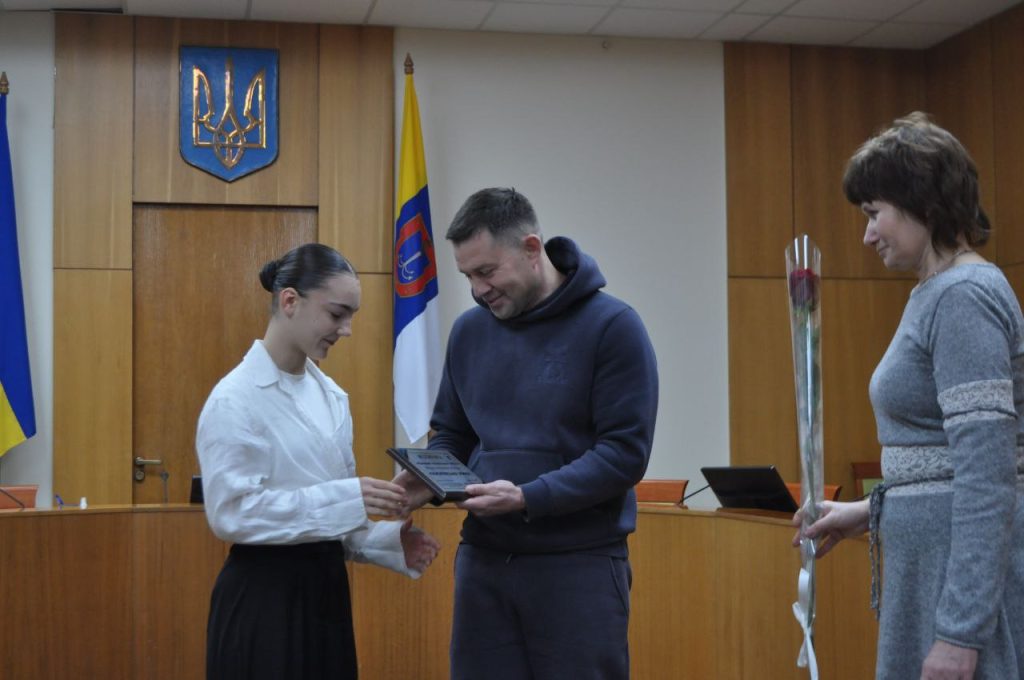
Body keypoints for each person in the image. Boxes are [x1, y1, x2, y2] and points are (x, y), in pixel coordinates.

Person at [793, 113, 1024, 679]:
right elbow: (938, 462)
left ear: (923, 203)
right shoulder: (934, 292)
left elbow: (987, 476)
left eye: (875, 214)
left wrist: (961, 633)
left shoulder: (964, 296)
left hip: (959, 591)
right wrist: (869, 511)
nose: (867, 235)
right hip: (930, 571)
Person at [397, 188, 659, 679]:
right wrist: (430, 478)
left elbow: (624, 455)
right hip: (484, 561)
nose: (478, 289)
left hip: (578, 565)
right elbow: (452, 434)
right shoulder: (469, 332)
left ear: (532, 248)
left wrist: (526, 497)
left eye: (487, 271)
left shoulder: (613, 326)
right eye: (468, 276)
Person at [196, 243, 440, 680]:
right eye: (337, 314)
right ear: (290, 301)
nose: (346, 330)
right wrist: (348, 497)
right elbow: (233, 513)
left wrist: (385, 542)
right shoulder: (234, 399)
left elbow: (333, 526)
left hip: (325, 596)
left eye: (352, 316)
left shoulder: (332, 397)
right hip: (263, 601)